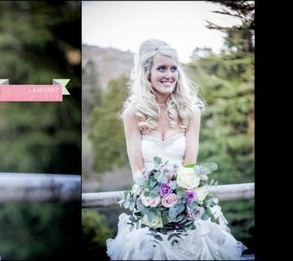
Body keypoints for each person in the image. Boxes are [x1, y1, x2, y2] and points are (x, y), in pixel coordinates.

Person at [105, 39, 246, 260]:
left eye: (173, 69)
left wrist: (179, 200)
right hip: (148, 212)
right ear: (147, 73)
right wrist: (152, 199)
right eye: (161, 68)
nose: (169, 75)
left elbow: (189, 166)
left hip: (185, 211)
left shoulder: (190, 112)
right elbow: (137, 171)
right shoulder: (133, 113)